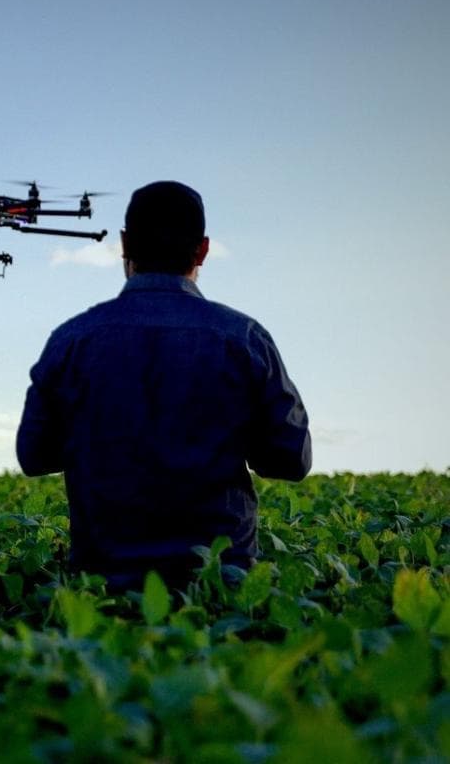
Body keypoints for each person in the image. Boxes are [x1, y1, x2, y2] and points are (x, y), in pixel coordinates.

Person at [16, 181, 311, 590]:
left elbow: (34, 456)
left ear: (124, 245)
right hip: (218, 586)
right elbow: (291, 460)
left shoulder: (72, 340)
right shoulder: (244, 339)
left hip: (103, 590)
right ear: (203, 250)